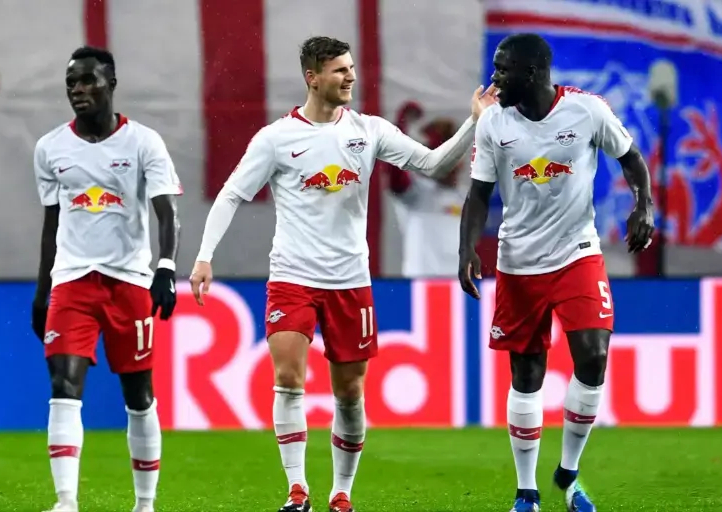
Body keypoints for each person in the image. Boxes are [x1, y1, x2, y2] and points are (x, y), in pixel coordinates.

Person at [188, 36, 495, 512]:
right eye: (339, 70)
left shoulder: (369, 131)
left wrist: (474, 123)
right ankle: (297, 490)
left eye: (350, 68)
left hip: (350, 281)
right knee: (288, 377)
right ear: (312, 78)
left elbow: (433, 165)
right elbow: (231, 194)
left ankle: (341, 493)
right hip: (292, 276)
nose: (350, 76)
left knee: (349, 392)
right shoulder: (276, 138)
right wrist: (205, 256)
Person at [458, 34, 654, 512]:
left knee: (593, 355)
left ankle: (568, 470)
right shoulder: (493, 124)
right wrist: (466, 249)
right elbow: (479, 194)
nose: (494, 79)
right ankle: (527, 492)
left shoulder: (588, 110)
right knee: (527, 373)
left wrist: (643, 205)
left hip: (577, 253)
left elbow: (631, 159)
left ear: (532, 73)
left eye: (503, 70)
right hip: (519, 261)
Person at [31, 46, 182, 512]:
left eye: (87, 80)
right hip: (71, 283)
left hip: (128, 282)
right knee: (63, 384)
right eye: (71, 83)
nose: (78, 90)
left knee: (138, 395)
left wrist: (166, 267)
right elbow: (52, 224)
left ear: (111, 84)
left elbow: (167, 212)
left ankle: (144, 504)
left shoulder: (144, 143)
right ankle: (66, 502)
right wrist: (42, 292)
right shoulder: (50, 148)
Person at [385, 113, 469, 278]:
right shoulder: (418, 192)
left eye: (455, 155)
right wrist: (400, 127)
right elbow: (396, 179)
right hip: (421, 284)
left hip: (457, 284)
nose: (452, 164)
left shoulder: (465, 195)